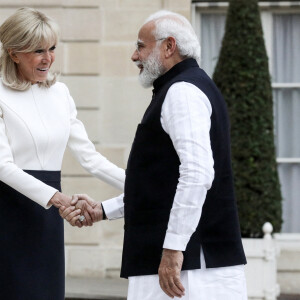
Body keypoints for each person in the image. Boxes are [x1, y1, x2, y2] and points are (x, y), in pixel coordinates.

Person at [62, 10, 248, 300]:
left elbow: (198, 174)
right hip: (186, 268)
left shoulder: (182, 92)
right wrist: (103, 209)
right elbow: (161, 185)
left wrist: (173, 249)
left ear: (169, 46)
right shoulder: (186, 88)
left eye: (140, 46)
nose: (134, 56)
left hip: (186, 272)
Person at [0, 7, 125, 300]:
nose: (48, 58)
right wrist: (58, 199)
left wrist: (143, 187)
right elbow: (3, 167)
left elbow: (90, 158)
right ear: (14, 53)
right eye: (37, 51)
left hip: (47, 219)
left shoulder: (61, 94)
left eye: (52, 48)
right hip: (8, 212)